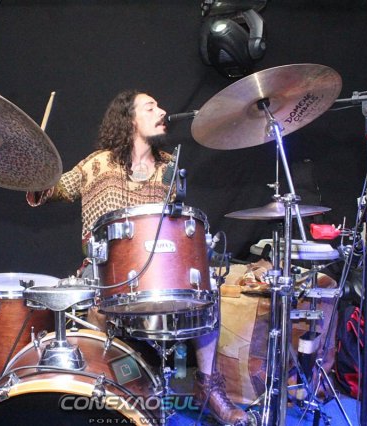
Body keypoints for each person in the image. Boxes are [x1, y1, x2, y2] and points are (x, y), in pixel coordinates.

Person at [27, 89, 249, 425]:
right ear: (129, 119)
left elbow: (174, 227)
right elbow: (55, 189)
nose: (162, 111)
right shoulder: (97, 163)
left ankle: (209, 387)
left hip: (156, 269)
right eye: (150, 107)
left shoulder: (169, 166)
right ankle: (103, 391)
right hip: (103, 268)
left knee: (206, 291)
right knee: (98, 296)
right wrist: (36, 172)